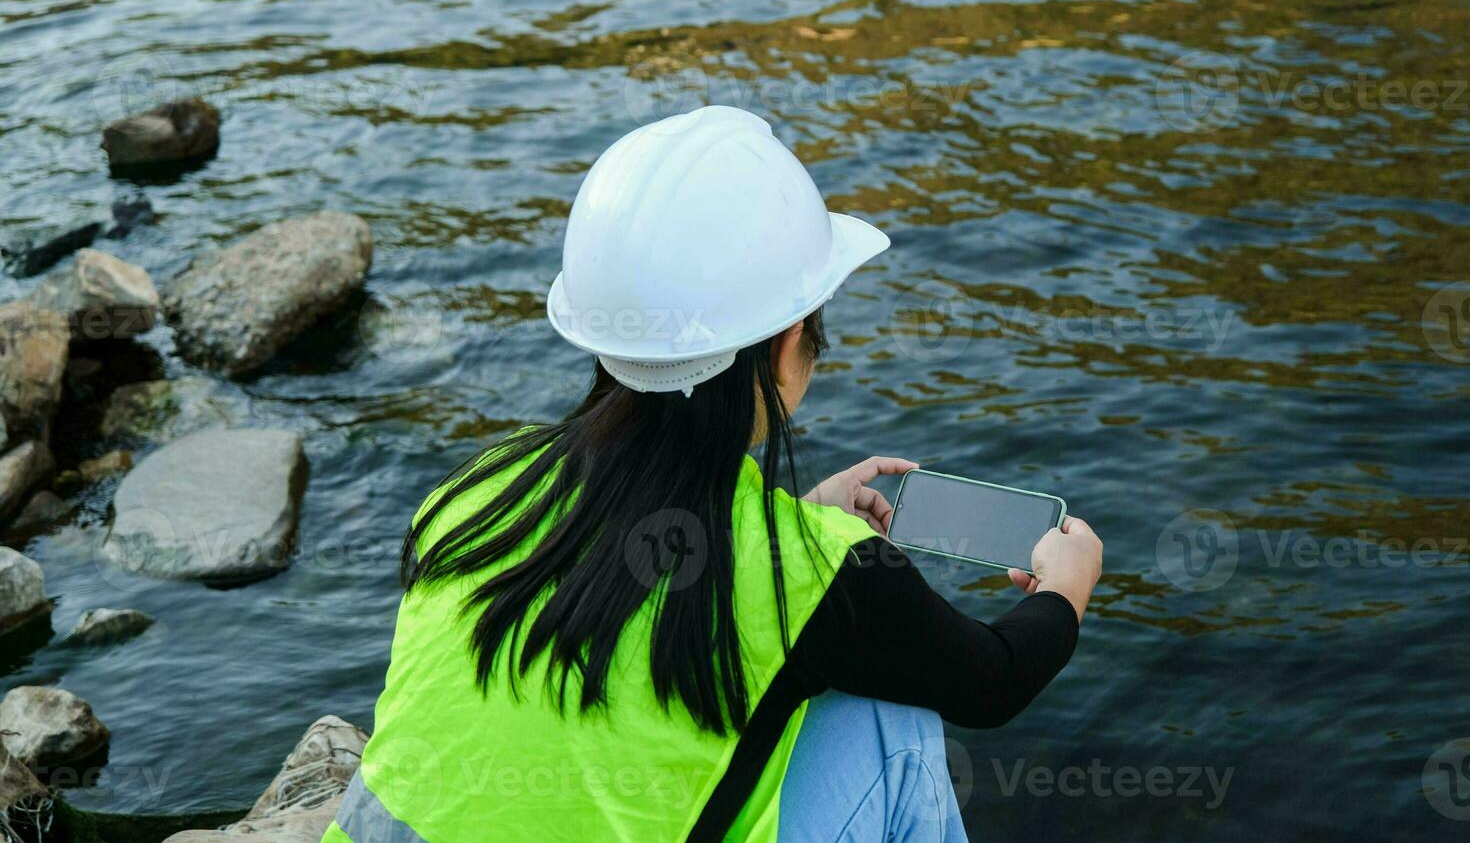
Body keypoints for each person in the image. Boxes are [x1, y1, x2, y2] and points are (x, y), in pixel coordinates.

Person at [324, 105, 1103, 842]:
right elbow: (992, 683)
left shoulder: (474, 490)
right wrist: (1065, 589)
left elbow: (636, 582)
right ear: (788, 339)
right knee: (894, 721)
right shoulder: (821, 572)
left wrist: (791, 517)